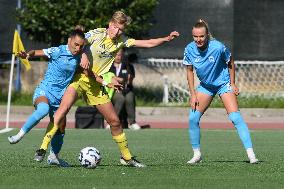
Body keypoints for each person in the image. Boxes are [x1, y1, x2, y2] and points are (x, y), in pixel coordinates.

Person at [35, 10, 180, 168]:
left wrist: (166, 39)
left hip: (97, 85)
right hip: (80, 79)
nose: (118, 32)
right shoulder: (97, 34)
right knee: (62, 110)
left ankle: (126, 158)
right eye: (116, 28)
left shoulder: (121, 41)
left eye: (121, 30)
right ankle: (43, 148)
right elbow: (79, 41)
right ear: (110, 24)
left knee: (115, 122)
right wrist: (83, 55)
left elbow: (146, 43)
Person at [8, 28, 87, 166]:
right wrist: (27, 54)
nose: (78, 48)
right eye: (76, 44)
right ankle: (19, 135)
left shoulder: (79, 56)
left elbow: (83, 70)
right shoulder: (57, 51)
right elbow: (36, 52)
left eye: (81, 46)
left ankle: (53, 156)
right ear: (69, 41)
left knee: (61, 126)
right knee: (43, 109)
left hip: (60, 98)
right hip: (45, 91)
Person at [183, 19, 258, 164]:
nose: (198, 39)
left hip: (223, 84)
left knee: (235, 118)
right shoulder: (189, 49)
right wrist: (193, 94)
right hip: (205, 86)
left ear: (207, 35)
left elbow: (230, 62)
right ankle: (197, 154)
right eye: (195, 36)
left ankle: (251, 155)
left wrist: (233, 83)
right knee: (192, 119)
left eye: (201, 36)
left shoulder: (218, 47)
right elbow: (189, 71)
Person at [106, 49, 141, 130]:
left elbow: (129, 80)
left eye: (120, 55)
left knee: (130, 97)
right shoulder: (108, 66)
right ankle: (112, 122)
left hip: (126, 89)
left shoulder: (128, 66)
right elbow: (107, 77)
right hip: (113, 90)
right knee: (120, 98)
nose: (118, 57)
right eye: (116, 55)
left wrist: (129, 79)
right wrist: (117, 79)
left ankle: (132, 122)